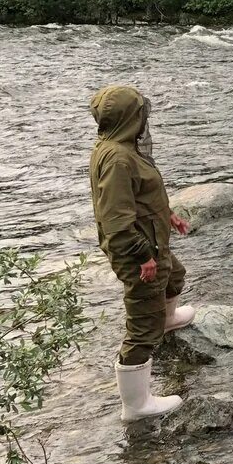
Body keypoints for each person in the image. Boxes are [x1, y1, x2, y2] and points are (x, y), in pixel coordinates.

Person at [89, 85, 194, 421]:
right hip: (139, 250)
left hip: (151, 243)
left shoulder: (120, 148)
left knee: (175, 276)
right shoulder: (118, 158)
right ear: (129, 118)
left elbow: (141, 197)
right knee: (140, 326)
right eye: (140, 114)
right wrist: (140, 255)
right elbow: (116, 218)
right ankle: (136, 405)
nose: (144, 120)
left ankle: (165, 319)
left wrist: (169, 215)